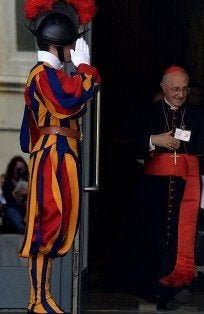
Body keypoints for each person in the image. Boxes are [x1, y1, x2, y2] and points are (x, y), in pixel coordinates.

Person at [19, 1, 100, 312]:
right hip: (53, 154)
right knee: (46, 226)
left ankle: (42, 298)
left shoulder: (50, 74)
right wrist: (84, 69)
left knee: (55, 227)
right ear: (59, 42)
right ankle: (38, 300)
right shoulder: (43, 74)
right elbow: (70, 100)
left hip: (60, 153)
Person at [131, 65, 204, 309]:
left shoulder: (199, 116)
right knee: (153, 236)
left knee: (179, 237)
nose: (180, 94)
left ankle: (173, 288)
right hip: (153, 189)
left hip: (187, 188)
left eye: (185, 89)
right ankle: (151, 288)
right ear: (163, 88)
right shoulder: (150, 112)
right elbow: (131, 142)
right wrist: (154, 140)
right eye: (176, 89)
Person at [1, 156, 29, 234]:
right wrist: (16, 193)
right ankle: (25, 232)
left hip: (26, 208)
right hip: (13, 208)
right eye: (18, 169)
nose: (20, 171)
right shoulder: (8, 182)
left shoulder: (28, 180)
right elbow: (9, 199)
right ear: (13, 169)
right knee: (11, 212)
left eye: (22, 168)